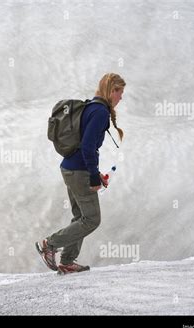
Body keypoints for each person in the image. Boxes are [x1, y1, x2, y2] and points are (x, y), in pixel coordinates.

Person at [36, 73, 126, 274]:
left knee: (80, 217)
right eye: (120, 93)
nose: (121, 98)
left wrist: (95, 173)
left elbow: (85, 147)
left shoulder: (90, 107)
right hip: (78, 171)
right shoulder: (100, 112)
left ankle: (67, 261)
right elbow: (87, 146)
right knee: (91, 219)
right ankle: (49, 244)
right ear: (112, 91)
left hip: (70, 168)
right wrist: (93, 176)